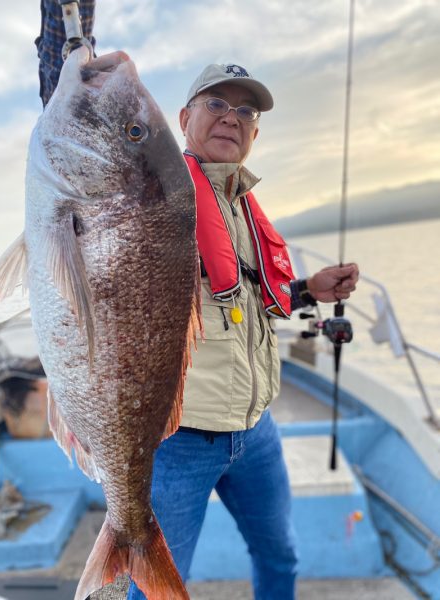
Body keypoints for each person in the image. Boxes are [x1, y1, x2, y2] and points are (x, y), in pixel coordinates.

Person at [127, 64, 359, 600]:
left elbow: (243, 298)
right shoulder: (159, 197)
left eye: (246, 111)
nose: (232, 116)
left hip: (256, 430)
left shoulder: (240, 205)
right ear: (184, 119)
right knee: (155, 588)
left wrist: (307, 290)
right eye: (216, 104)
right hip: (181, 440)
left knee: (281, 554)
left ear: (255, 133)